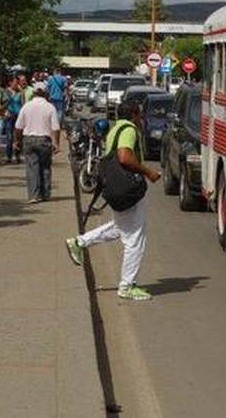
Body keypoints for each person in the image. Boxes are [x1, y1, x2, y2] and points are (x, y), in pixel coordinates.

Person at [66, 102, 161, 301]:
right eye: (140, 115)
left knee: (121, 228)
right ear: (135, 114)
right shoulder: (129, 130)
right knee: (135, 239)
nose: (141, 119)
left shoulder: (115, 129)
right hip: (128, 190)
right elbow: (125, 157)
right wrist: (148, 171)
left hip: (116, 188)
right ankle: (127, 285)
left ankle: (79, 242)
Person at [14, 81, 60, 203]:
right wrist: (56, 143)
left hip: (29, 139)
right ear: (45, 93)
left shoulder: (26, 106)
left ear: (34, 93)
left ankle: (33, 195)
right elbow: (56, 128)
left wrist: (17, 141)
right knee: (45, 167)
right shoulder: (50, 107)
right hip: (44, 140)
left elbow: (18, 127)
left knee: (32, 168)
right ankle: (45, 194)